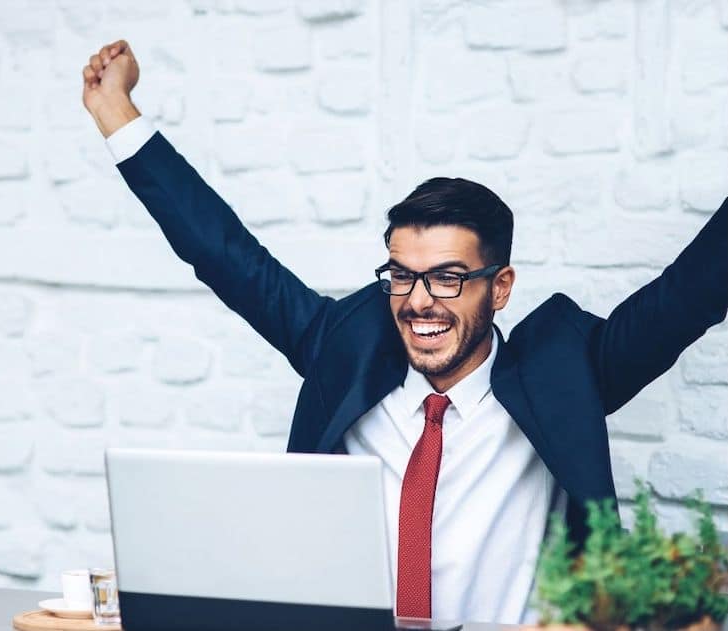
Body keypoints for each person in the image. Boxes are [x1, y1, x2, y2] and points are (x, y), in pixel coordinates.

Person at [81, 40, 728, 624]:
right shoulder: (344, 345)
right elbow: (227, 256)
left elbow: (690, 292)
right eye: (402, 274)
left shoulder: (565, 372)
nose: (419, 302)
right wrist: (117, 114)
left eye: (447, 277)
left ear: (498, 286)